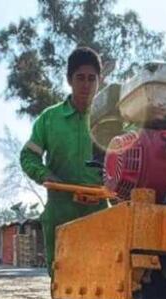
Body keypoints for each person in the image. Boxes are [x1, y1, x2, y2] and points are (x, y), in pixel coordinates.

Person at [20, 46, 107, 276]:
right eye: (80, 78)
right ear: (69, 80)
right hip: (60, 213)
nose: (86, 85)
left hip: (98, 213)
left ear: (100, 81)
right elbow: (28, 156)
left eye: (92, 79)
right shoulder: (50, 119)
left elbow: (126, 159)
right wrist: (44, 175)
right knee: (63, 280)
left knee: (100, 278)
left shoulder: (107, 120)